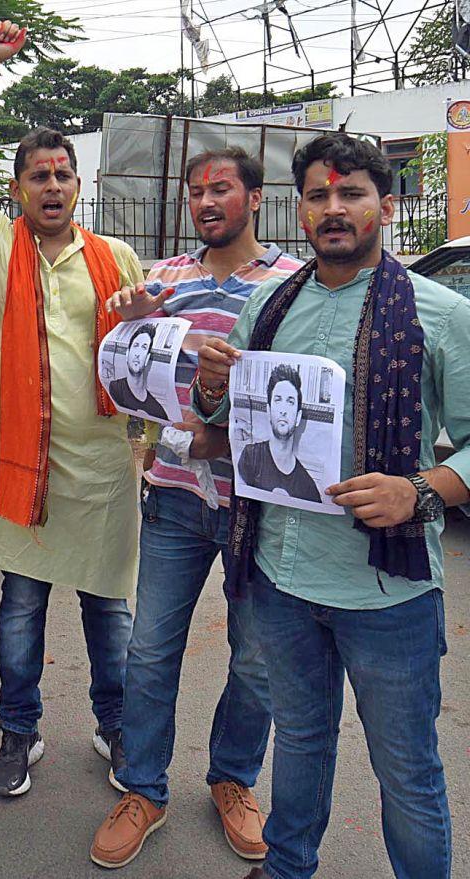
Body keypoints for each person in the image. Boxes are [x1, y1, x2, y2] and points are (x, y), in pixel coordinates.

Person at [196, 132, 470, 879]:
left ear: (386, 203)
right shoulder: (270, 303)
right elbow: (224, 429)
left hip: (386, 593)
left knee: (407, 770)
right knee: (303, 741)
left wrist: (417, 489)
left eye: (350, 194)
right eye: (318, 195)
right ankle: (287, 868)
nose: (334, 208)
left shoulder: (437, 312)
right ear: (300, 208)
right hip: (282, 582)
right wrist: (212, 388)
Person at [0, 20, 143, 798]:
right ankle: (20, 732)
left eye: (63, 174)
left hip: (100, 472)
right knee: (21, 611)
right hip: (22, 472)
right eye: (37, 176)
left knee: (107, 613)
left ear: (77, 186)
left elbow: (138, 360)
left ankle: (113, 724)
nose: (51, 186)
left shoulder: (114, 256)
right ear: (18, 189)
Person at [90, 147, 302, 869]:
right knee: (149, 649)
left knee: (259, 657)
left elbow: (298, 395)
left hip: (259, 504)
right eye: (196, 191)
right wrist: (128, 319)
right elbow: (123, 371)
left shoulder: (289, 282)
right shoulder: (165, 279)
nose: (207, 201)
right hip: (176, 497)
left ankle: (233, 779)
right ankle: (143, 788)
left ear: (254, 195)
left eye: (222, 189)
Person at [236, 364, 322, 502]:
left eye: (290, 402)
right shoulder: (250, 456)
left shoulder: (308, 486)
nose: (283, 410)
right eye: (278, 400)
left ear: (298, 417)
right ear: (269, 411)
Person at [107, 323, 169, 421]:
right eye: (136, 346)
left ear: (147, 358)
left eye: (144, 348)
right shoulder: (115, 388)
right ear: (127, 354)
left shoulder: (158, 410)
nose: (138, 354)